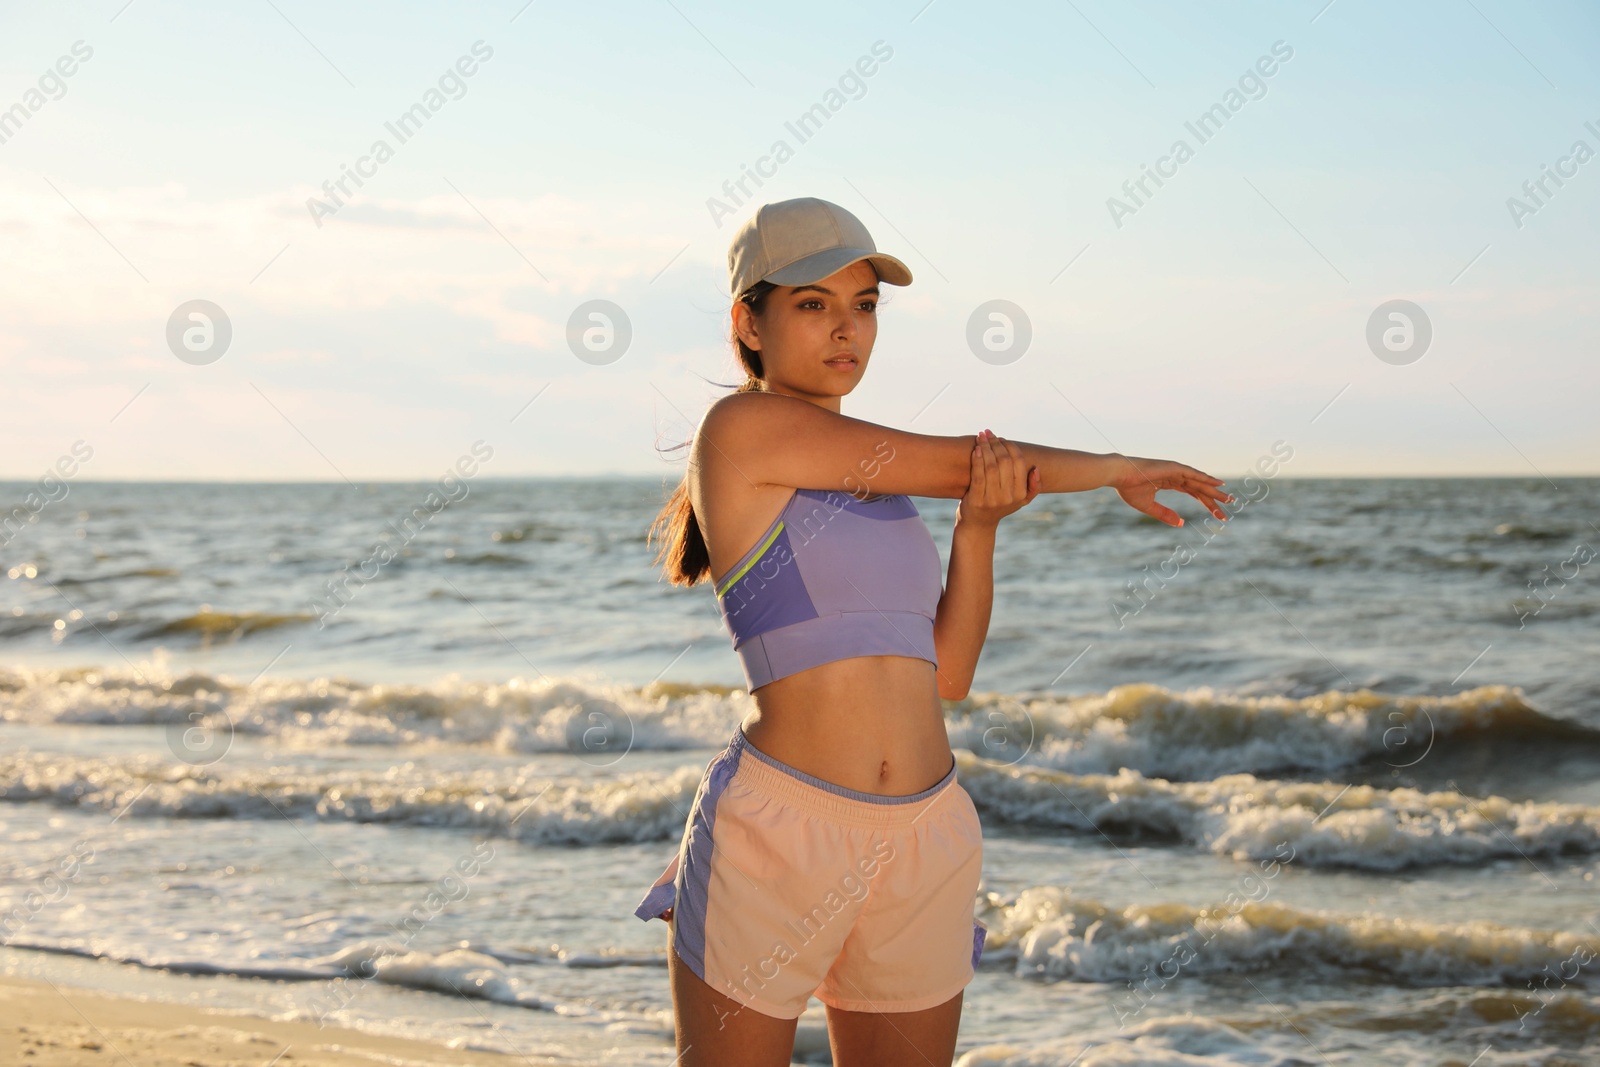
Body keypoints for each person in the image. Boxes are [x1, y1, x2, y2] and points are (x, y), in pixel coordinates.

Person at [638, 197, 1233, 1066]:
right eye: (813, 304)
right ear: (748, 322)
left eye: (865, 306)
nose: (847, 330)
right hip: (780, 835)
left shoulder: (889, 493)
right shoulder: (741, 431)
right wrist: (1117, 469)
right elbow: (963, 459)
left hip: (924, 834)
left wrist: (979, 529)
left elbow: (947, 672)